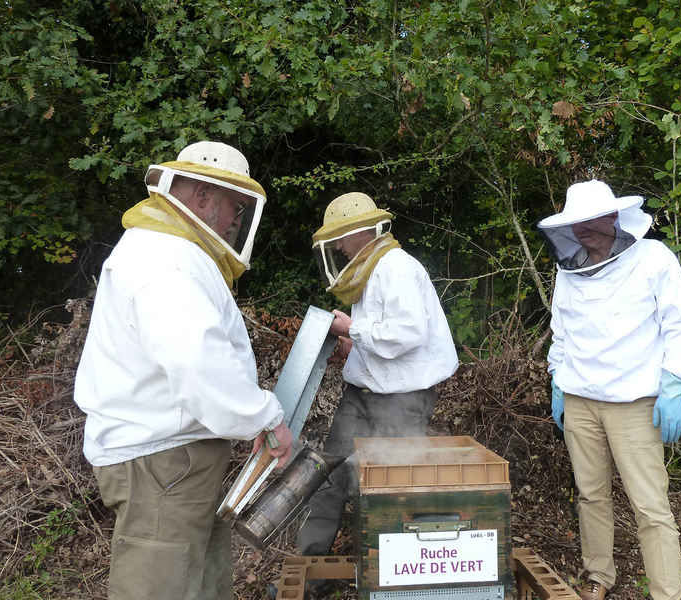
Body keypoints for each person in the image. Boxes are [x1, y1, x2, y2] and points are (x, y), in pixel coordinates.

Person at [74, 141, 294, 600]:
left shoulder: (166, 250)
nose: (236, 219)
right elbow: (197, 362)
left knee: (196, 582)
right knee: (161, 588)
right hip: (161, 466)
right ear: (200, 197)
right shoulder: (166, 260)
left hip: (171, 460)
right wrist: (264, 418)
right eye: (235, 205)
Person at [538, 179, 681, 600]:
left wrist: (675, 383)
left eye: (590, 220)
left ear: (613, 216)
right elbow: (562, 331)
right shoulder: (568, 269)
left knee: (650, 505)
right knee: (591, 495)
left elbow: (679, 323)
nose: (582, 230)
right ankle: (598, 576)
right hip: (579, 399)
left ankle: (667, 593)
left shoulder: (653, 259)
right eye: (575, 223)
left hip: (634, 403)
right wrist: (558, 380)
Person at [297, 192, 459, 558]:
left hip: (401, 399)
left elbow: (408, 333)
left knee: (394, 483)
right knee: (331, 474)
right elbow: (381, 333)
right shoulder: (367, 269)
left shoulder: (396, 267)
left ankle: (395, 570)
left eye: (340, 236)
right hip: (361, 395)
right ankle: (309, 565)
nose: (337, 246)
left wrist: (352, 330)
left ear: (362, 231)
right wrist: (355, 346)